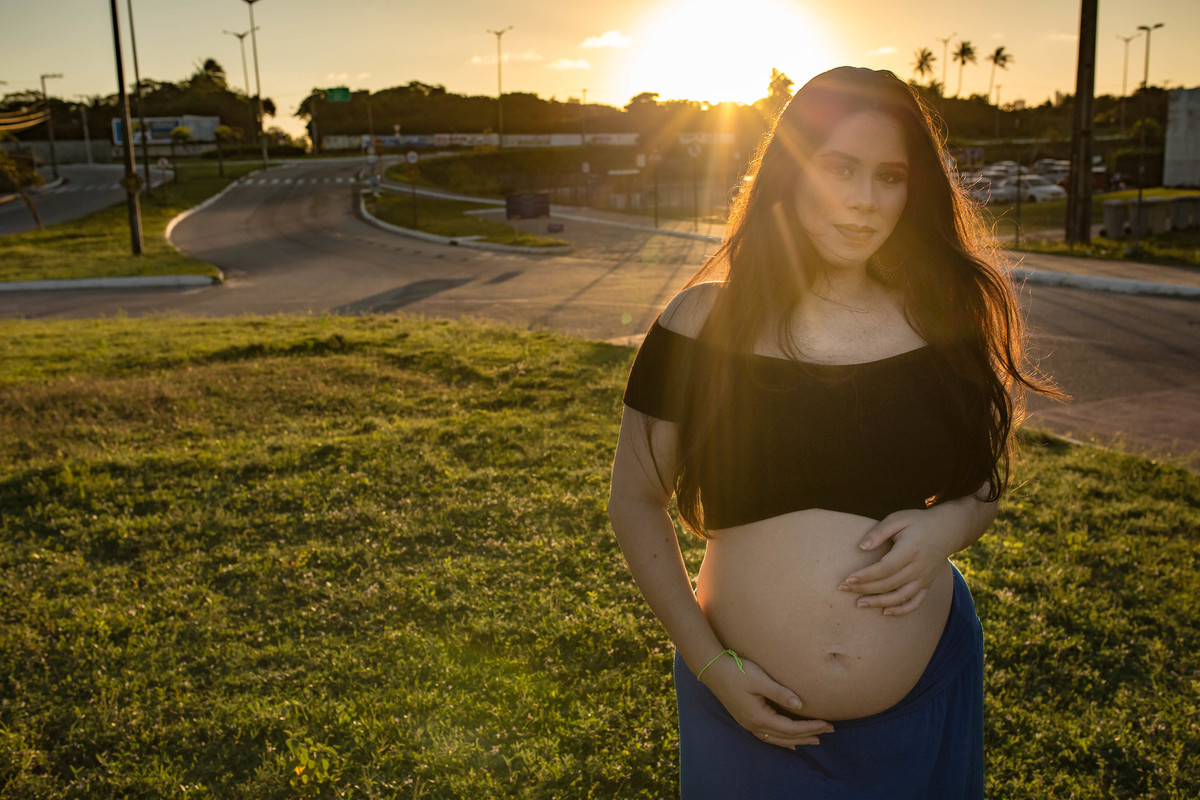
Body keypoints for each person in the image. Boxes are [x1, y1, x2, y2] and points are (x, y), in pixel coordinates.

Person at [607, 67, 1059, 799]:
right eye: (840, 169)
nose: (864, 200)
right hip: (743, 711)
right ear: (790, 173)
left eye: (889, 177)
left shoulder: (941, 323)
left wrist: (945, 530)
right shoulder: (700, 322)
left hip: (922, 709)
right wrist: (713, 668)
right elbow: (634, 501)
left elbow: (983, 486)